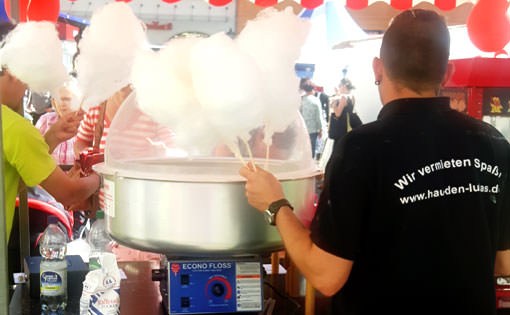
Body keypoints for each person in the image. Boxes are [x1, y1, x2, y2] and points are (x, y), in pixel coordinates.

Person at [239, 9, 510, 315]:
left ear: (377, 68)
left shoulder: (361, 148)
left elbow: (326, 276)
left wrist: (275, 204)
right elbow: (505, 260)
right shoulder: (493, 142)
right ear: (446, 73)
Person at [0, 22, 100, 276]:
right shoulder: (15, 128)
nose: (26, 90)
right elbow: (69, 194)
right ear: (12, 69)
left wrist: (52, 137)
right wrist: (100, 175)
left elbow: (12, 179)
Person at [36, 81, 79, 167]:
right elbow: (34, 152)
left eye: (67, 99)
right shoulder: (45, 120)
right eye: (58, 99)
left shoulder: (86, 122)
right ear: (53, 102)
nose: (62, 103)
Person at [328, 77, 363, 154]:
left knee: (338, 150)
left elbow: (338, 114)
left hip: (341, 127)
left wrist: (333, 104)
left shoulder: (343, 97)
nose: (339, 87)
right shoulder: (352, 96)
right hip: (349, 126)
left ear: (344, 85)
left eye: (339, 85)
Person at [300, 82, 323, 158]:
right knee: (311, 149)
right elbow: (318, 116)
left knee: (302, 149)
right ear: (313, 89)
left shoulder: (301, 100)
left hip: (302, 129)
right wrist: (320, 129)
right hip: (313, 130)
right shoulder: (316, 100)